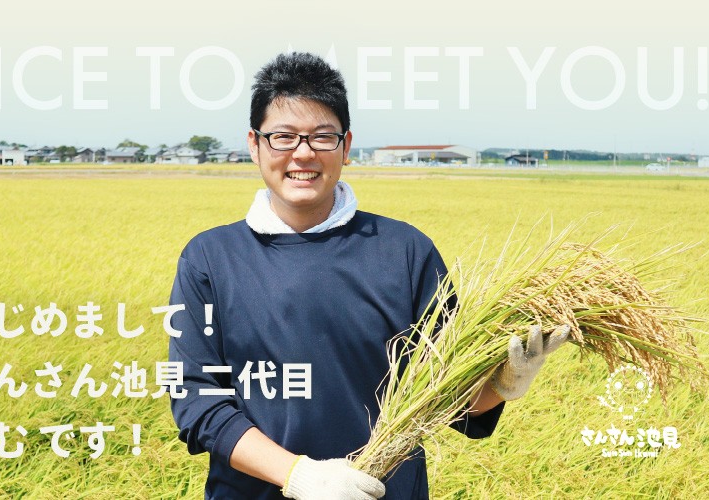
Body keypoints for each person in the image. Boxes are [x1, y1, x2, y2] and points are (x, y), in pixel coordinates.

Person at [168, 52, 569, 500]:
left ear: (346, 145)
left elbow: (452, 399)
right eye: (283, 137)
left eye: (323, 137)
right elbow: (197, 400)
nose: (303, 153)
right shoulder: (210, 258)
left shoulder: (404, 252)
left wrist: (502, 382)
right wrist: (299, 476)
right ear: (254, 144)